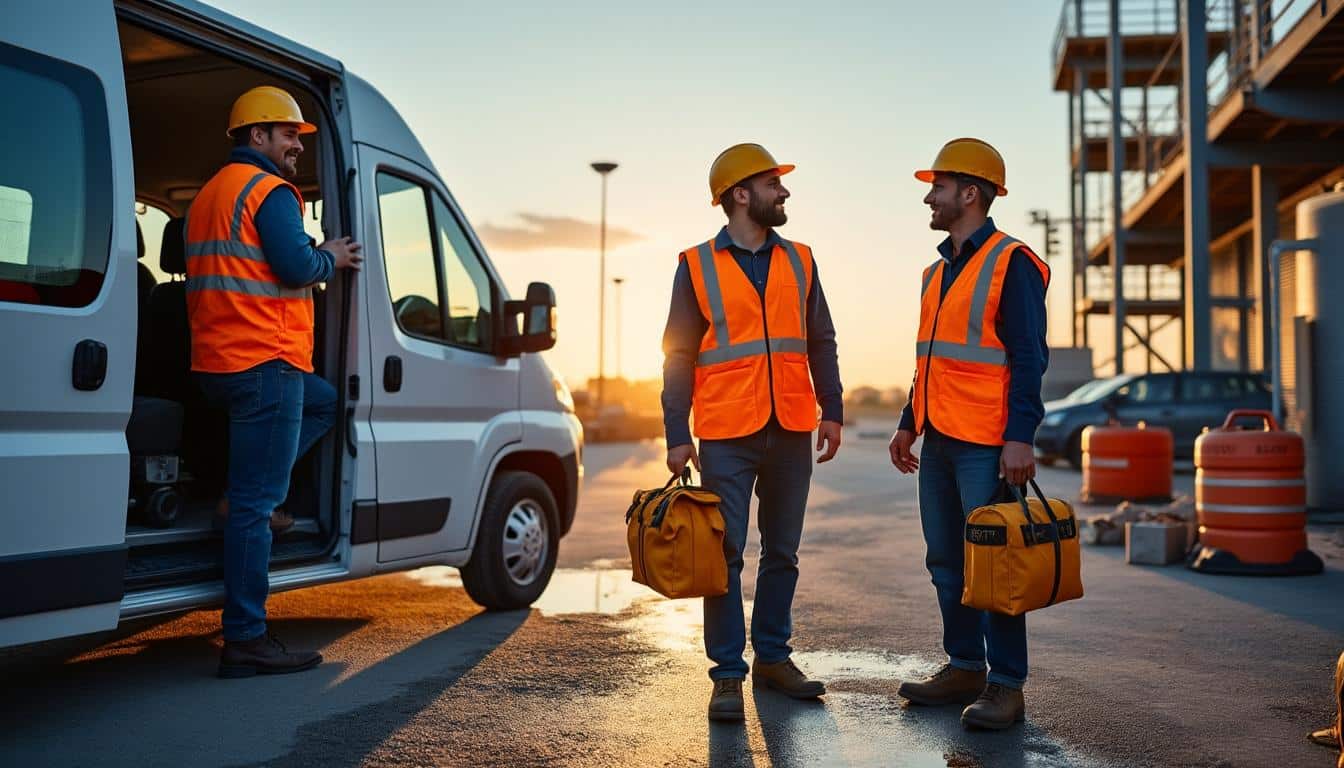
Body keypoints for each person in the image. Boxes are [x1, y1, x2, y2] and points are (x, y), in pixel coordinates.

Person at [661, 143, 844, 722]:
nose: (783, 192)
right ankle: (727, 674)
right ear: (741, 195)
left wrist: (832, 410)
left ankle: (772, 657)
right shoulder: (695, 265)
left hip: (791, 425)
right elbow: (678, 355)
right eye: (772, 184)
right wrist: (675, 431)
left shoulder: (802, 260)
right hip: (725, 431)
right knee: (724, 554)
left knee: (783, 552)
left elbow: (821, 341)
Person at [186, 85, 363, 678]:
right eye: (289, 134)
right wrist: (330, 256)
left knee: (326, 403)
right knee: (255, 510)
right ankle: (246, 639)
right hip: (267, 362)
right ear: (257, 136)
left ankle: (246, 493)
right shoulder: (271, 191)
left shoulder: (211, 195)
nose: (297, 146)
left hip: (218, 364)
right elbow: (294, 267)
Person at [888, 138, 1050, 729]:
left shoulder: (1013, 263)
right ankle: (964, 666)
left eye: (938, 188)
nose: (930, 198)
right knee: (945, 561)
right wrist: (909, 424)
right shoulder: (936, 273)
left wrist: (1020, 436)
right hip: (938, 442)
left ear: (970, 193)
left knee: (996, 566)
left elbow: (1030, 357)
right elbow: (928, 361)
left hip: (987, 443)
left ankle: (1006, 684)